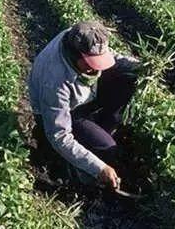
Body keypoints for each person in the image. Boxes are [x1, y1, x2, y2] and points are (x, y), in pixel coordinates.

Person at [28, 21, 139, 191]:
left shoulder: (81, 37)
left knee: (127, 77)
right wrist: (99, 168)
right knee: (108, 149)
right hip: (67, 114)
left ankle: (101, 128)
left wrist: (141, 67)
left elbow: (112, 57)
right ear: (75, 55)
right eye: (90, 64)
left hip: (83, 97)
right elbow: (59, 136)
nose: (94, 69)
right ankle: (78, 165)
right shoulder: (55, 82)